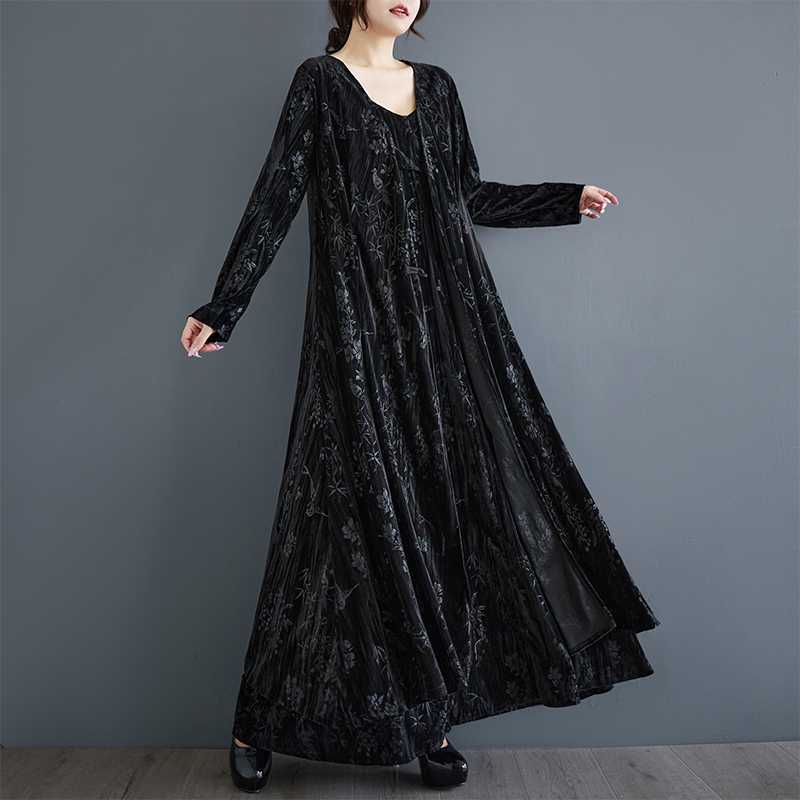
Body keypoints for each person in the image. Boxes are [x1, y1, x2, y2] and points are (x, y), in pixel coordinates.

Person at [181, 0, 660, 792]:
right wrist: (222, 306)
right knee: (329, 527)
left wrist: (562, 199)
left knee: (438, 517)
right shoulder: (320, 83)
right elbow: (277, 195)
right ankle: (256, 720)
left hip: (442, 337)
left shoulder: (435, 89)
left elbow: (463, 195)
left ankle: (431, 719)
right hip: (354, 338)